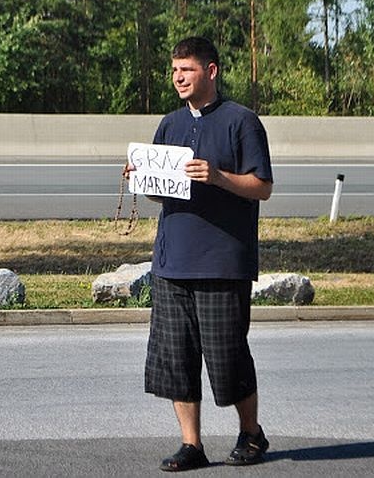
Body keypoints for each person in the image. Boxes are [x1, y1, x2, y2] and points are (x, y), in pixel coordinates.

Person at [126, 36, 274, 472]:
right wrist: (141, 178)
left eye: (186, 69)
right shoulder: (169, 125)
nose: (178, 77)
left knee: (228, 356)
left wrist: (217, 176)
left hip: (223, 261)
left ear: (211, 71)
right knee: (176, 358)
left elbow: (262, 188)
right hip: (173, 262)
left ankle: (251, 433)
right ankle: (192, 444)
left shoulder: (242, 122)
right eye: (174, 70)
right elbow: (161, 195)